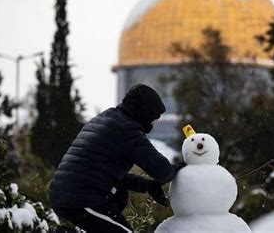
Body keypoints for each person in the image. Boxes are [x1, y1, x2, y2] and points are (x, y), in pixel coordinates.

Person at [49, 84, 185, 233]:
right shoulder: (128, 129)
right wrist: (180, 167)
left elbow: (104, 172)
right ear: (144, 111)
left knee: (118, 198)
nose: (153, 124)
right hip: (81, 200)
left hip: (67, 194)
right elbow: (162, 170)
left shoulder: (108, 117)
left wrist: (146, 185)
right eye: (154, 118)